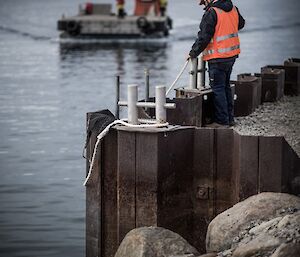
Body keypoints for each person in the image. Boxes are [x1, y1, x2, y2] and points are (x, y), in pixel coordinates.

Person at [187, 0, 245, 127]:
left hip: (217, 57)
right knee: (225, 87)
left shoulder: (212, 12)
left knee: (218, 89)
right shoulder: (233, 8)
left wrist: (192, 53)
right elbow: (241, 24)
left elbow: (204, 37)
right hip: (231, 55)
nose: (204, 5)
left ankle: (222, 121)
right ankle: (229, 119)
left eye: (204, 2)